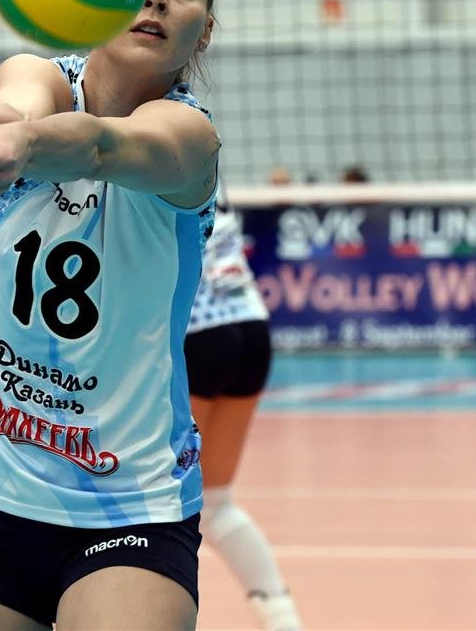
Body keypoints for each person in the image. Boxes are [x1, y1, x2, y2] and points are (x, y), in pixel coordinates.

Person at [0, 0, 220, 631]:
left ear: (203, 33)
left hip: (131, 506)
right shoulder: (36, 77)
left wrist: (21, 146)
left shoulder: (189, 138)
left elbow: (105, 146)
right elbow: (14, 100)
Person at [184, 202, 303, 630]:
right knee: (215, 504)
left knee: (149, 506)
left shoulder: (117, 171)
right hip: (251, 325)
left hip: (197, 330)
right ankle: (283, 621)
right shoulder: (204, 162)